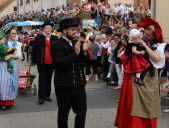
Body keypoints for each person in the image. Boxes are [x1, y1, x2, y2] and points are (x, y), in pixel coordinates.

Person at [114, 17, 166, 128]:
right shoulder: (137, 41)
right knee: (134, 104)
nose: (145, 36)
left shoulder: (158, 46)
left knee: (148, 104)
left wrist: (145, 47)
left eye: (148, 35)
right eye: (145, 34)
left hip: (149, 78)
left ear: (154, 37)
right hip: (136, 77)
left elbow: (157, 59)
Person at [51, 18, 90, 128]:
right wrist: (76, 52)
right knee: (64, 113)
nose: (75, 32)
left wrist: (85, 51)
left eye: (76, 30)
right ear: (64, 30)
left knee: (82, 112)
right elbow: (61, 63)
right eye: (72, 29)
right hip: (64, 85)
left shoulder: (75, 42)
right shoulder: (56, 44)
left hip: (79, 84)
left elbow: (84, 61)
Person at [31, 21, 58, 105]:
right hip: (41, 61)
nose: (48, 29)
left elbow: (58, 51)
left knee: (49, 79)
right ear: (43, 29)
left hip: (51, 62)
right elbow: (34, 50)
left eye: (50, 28)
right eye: (46, 28)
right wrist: (33, 60)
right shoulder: (39, 38)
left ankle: (47, 95)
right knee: (42, 79)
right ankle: (41, 97)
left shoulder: (55, 38)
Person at [0, 24, 22, 110]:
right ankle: (2, 102)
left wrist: (10, 56)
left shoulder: (18, 44)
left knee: (11, 83)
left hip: (13, 65)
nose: (14, 35)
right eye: (12, 33)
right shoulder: (3, 42)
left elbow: (19, 56)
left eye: (15, 33)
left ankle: (9, 102)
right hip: (2, 65)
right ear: (8, 34)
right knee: (3, 83)